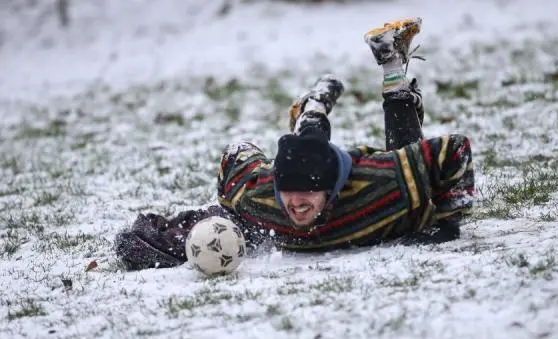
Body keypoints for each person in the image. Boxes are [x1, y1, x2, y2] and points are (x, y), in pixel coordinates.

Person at [114, 18, 475, 270]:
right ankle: (313, 108)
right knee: (305, 147)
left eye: (308, 193)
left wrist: (446, 222)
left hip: (360, 176)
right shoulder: (261, 199)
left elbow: (455, 150)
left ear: (330, 191)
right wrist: (165, 239)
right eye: (288, 191)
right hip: (299, 161)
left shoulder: (379, 182)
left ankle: (388, 66)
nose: (296, 204)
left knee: (413, 185)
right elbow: (236, 157)